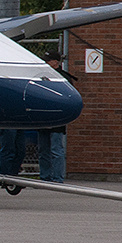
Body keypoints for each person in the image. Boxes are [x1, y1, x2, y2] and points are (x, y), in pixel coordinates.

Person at [38, 53, 74, 183]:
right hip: (43, 119)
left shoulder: (63, 78)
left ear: (55, 62)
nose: (46, 63)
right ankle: (45, 177)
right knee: (43, 151)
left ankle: (57, 178)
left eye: (48, 60)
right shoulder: (41, 76)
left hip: (57, 120)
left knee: (56, 150)